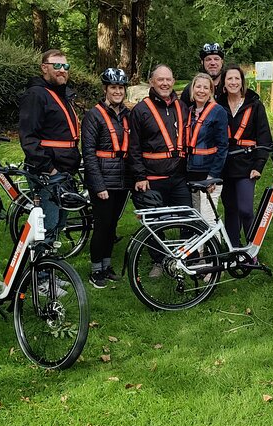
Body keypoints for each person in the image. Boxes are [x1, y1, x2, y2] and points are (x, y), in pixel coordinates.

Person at [128, 64, 190, 277]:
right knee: (155, 223)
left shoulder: (181, 107)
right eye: (160, 79)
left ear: (173, 82)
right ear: (152, 82)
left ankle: (184, 257)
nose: (165, 83)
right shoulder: (140, 110)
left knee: (187, 218)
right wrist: (139, 176)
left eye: (168, 79)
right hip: (152, 177)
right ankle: (159, 261)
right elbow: (133, 147)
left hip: (179, 176)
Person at [19, 48, 81, 246]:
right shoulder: (37, 95)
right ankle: (42, 274)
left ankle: (50, 270)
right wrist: (49, 168)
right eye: (57, 66)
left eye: (65, 66)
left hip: (64, 170)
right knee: (48, 222)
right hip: (48, 172)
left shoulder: (60, 94)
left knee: (60, 221)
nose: (62, 70)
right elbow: (28, 137)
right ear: (44, 68)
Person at [81, 68, 132, 289]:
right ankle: (96, 269)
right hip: (102, 179)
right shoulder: (94, 116)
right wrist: (98, 184)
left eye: (121, 88)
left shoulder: (127, 114)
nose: (118, 91)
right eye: (113, 88)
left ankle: (107, 264)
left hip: (121, 179)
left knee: (112, 225)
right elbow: (89, 153)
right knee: (102, 225)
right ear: (106, 89)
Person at [217, 64, 272, 248]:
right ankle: (235, 248)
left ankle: (252, 248)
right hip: (224, 165)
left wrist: (259, 165)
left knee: (246, 209)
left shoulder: (254, 105)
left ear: (242, 82)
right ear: (224, 83)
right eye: (229, 79)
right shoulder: (217, 105)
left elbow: (264, 136)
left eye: (237, 79)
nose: (233, 82)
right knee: (230, 209)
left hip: (247, 164)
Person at [185, 73, 228, 225]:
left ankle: (214, 249)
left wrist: (213, 175)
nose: (201, 91)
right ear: (192, 89)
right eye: (198, 86)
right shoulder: (188, 112)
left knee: (208, 219)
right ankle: (200, 250)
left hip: (209, 174)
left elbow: (223, 146)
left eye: (206, 87)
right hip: (192, 173)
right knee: (197, 217)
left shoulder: (218, 112)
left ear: (211, 91)